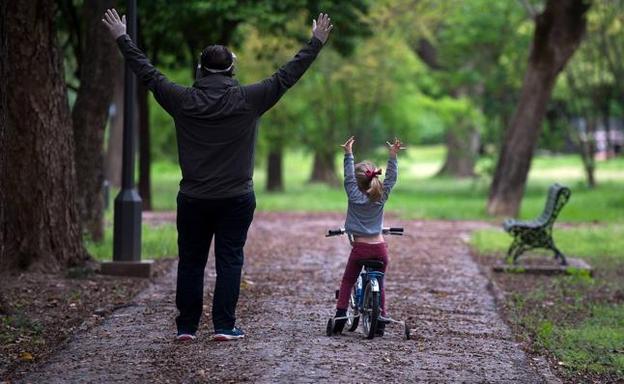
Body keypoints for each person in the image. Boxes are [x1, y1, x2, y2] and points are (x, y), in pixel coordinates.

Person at [101, 9, 333, 342]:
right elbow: (286, 75)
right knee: (229, 260)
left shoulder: (182, 100)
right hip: (236, 197)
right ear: (232, 68)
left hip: (194, 197)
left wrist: (122, 37)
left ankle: (186, 327)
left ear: (200, 68)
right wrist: (316, 42)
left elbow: (148, 74)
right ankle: (224, 326)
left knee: (191, 262)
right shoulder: (249, 99)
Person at [331, 136, 405, 336]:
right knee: (379, 283)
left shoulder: (353, 196)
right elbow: (391, 179)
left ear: (357, 182)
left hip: (360, 249)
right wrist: (393, 155)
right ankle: (380, 320)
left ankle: (340, 317)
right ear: (375, 178)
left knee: (348, 281)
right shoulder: (380, 196)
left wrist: (348, 154)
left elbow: (347, 176)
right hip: (380, 250)